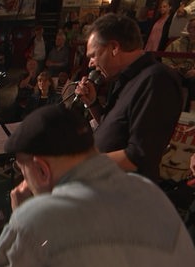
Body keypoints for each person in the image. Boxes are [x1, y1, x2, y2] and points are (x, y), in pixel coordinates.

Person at [0, 105, 195, 267]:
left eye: (21, 171)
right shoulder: (149, 192)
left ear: (42, 170)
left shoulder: (38, 217)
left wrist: (18, 218)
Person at [74, 13, 183, 181]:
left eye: (94, 55)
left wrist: (77, 164)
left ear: (114, 48)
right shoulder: (123, 79)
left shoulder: (157, 80)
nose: (90, 63)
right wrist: (93, 103)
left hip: (121, 193)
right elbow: (115, 131)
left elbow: (139, 155)